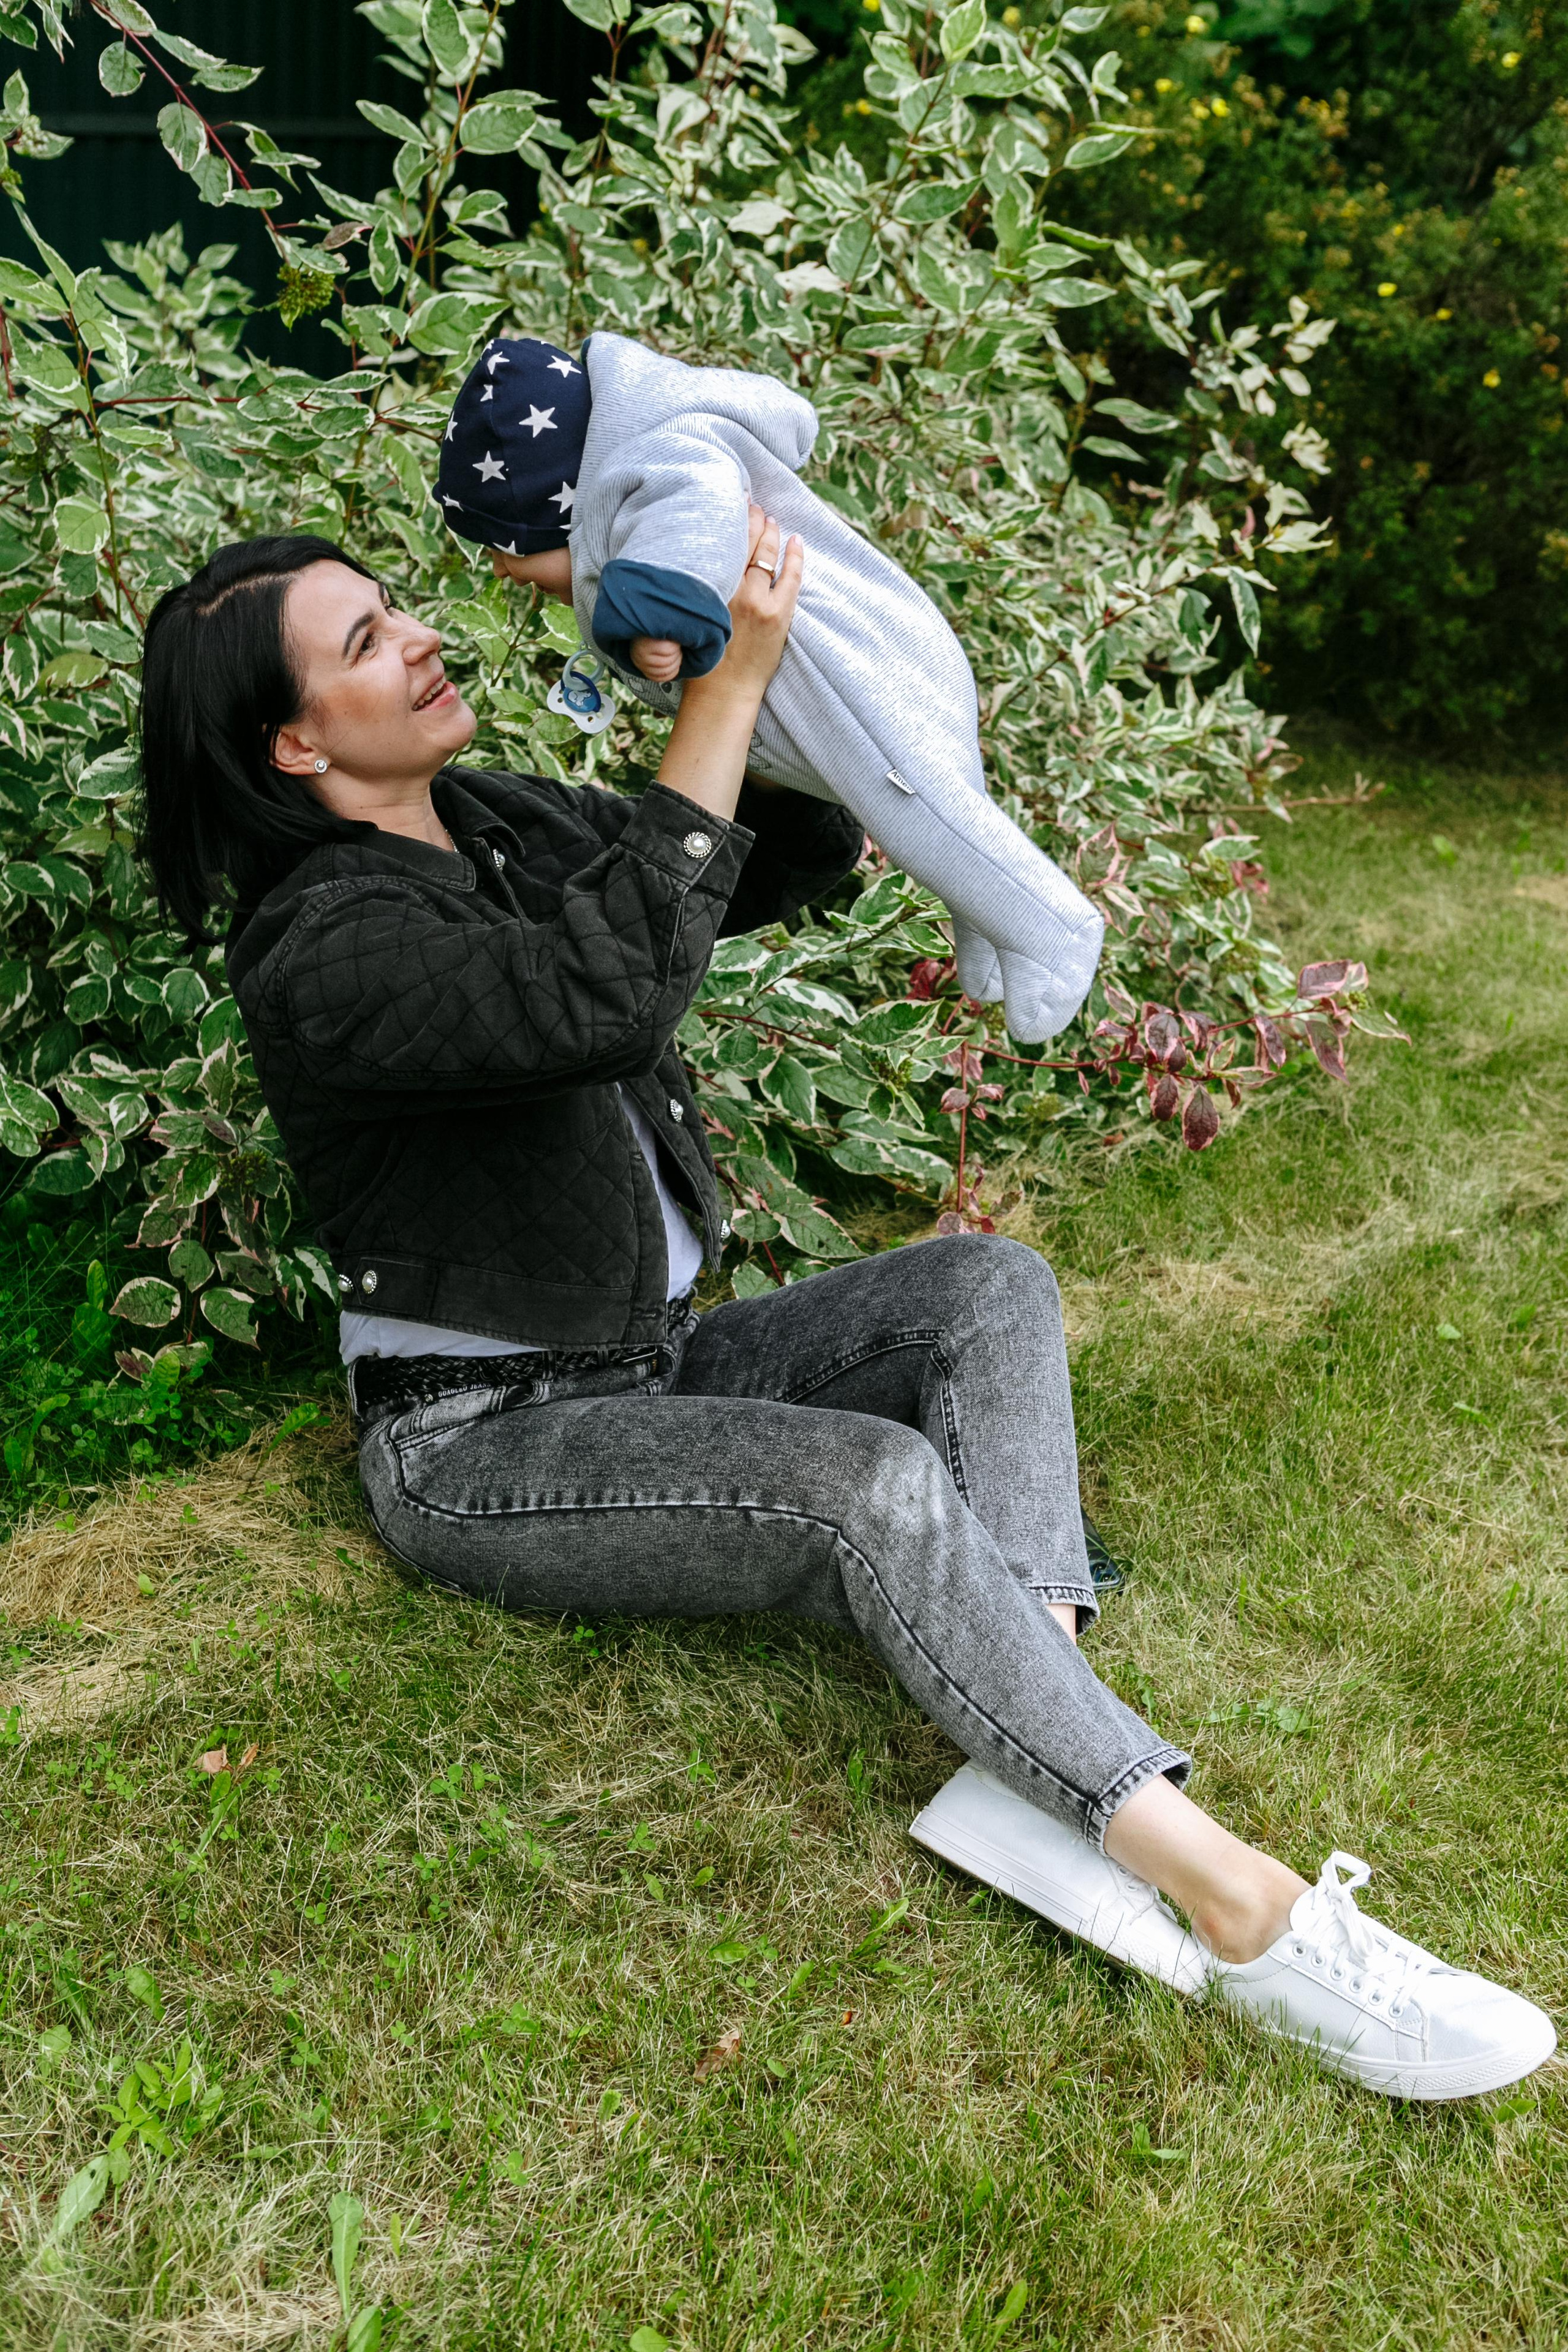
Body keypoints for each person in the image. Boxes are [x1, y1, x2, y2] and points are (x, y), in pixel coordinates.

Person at [135, 520, 1555, 2106]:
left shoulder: (485, 821)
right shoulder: (321, 945)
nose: (412, 636)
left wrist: (701, 663)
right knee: (870, 1490)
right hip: (486, 1443)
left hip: (648, 1363)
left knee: (981, 1286)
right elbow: (610, 992)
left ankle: (1030, 1764)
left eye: (394, 604)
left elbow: (783, 862)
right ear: (294, 739)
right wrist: (724, 691)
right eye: (361, 643)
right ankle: (1246, 1912)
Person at [431, 331, 1105, 1046]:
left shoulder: (657, 462)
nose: (502, 573)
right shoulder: (629, 482)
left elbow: (702, 503)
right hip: (834, 675)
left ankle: (1055, 930)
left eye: (504, 547)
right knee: (940, 816)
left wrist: (662, 614)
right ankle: (991, 923)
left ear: (557, 509)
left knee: (920, 805)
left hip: (843, 673)